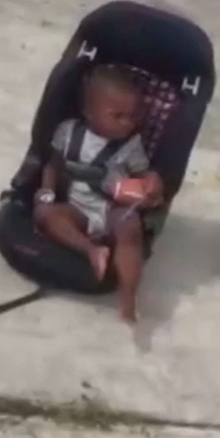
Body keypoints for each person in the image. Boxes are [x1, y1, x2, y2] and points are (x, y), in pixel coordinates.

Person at [32, 65, 163, 323]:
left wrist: (151, 184)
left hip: (111, 207)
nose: (128, 123)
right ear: (89, 112)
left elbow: (142, 173)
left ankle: (128, 296)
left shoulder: (131, 145)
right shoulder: (68, 132)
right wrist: (46, 190)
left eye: (133, 116)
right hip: (77, 207)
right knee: (44, 214)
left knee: (130, 231)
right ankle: (92, 250)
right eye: (118, 115)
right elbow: (54, 165)